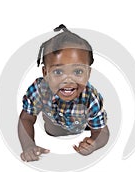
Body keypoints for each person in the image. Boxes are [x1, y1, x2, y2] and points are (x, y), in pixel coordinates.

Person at [18, 24, 109, 162]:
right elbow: (26, 118)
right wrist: (28, 145)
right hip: (53, 128)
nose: (68, 80)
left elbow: (102, 131)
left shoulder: (90, 97)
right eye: (58, 72)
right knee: (52, 128)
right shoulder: (39, 89)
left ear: (88, 73)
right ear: (45, 73)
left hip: (82, 127)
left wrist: (94, 143)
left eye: (78, 71)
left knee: (92, 126)